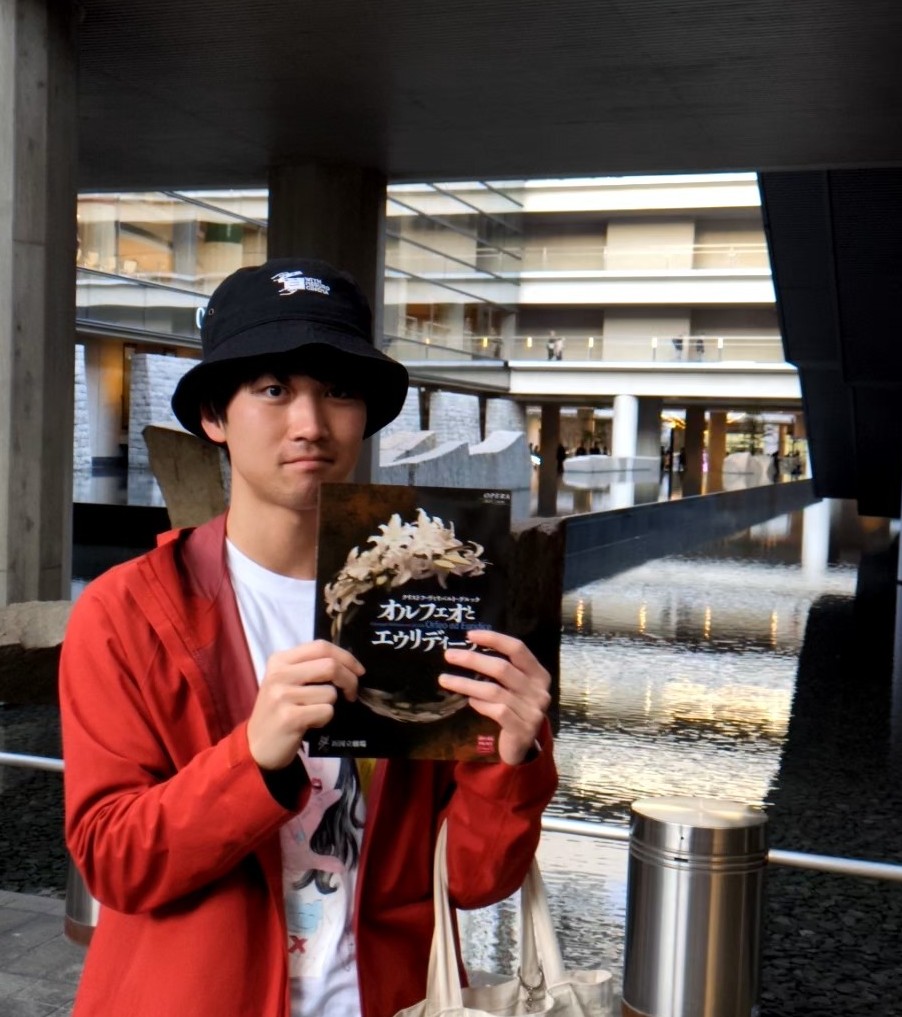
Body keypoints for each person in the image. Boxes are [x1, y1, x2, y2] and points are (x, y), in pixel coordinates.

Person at [59, 257, 557, 1017]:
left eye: (339, 391)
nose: (310, 424)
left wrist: (512, 757)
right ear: (214, 417)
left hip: (390, 999)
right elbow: (113, 861)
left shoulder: (431, 600)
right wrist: (251, 755)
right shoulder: (128, 611)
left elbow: (472, 880)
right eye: (273, 390)